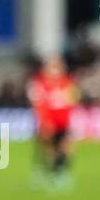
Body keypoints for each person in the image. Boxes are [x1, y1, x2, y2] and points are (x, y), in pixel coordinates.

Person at [27, 55, 78, 192]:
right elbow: (38, 103)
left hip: (63, 121)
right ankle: (46, 172)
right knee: (48, 148)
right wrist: (44, 121)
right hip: (48, 121)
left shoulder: (67, 82)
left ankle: (60, 173)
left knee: (66, 147)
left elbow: (72, 100)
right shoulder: (40, 83)